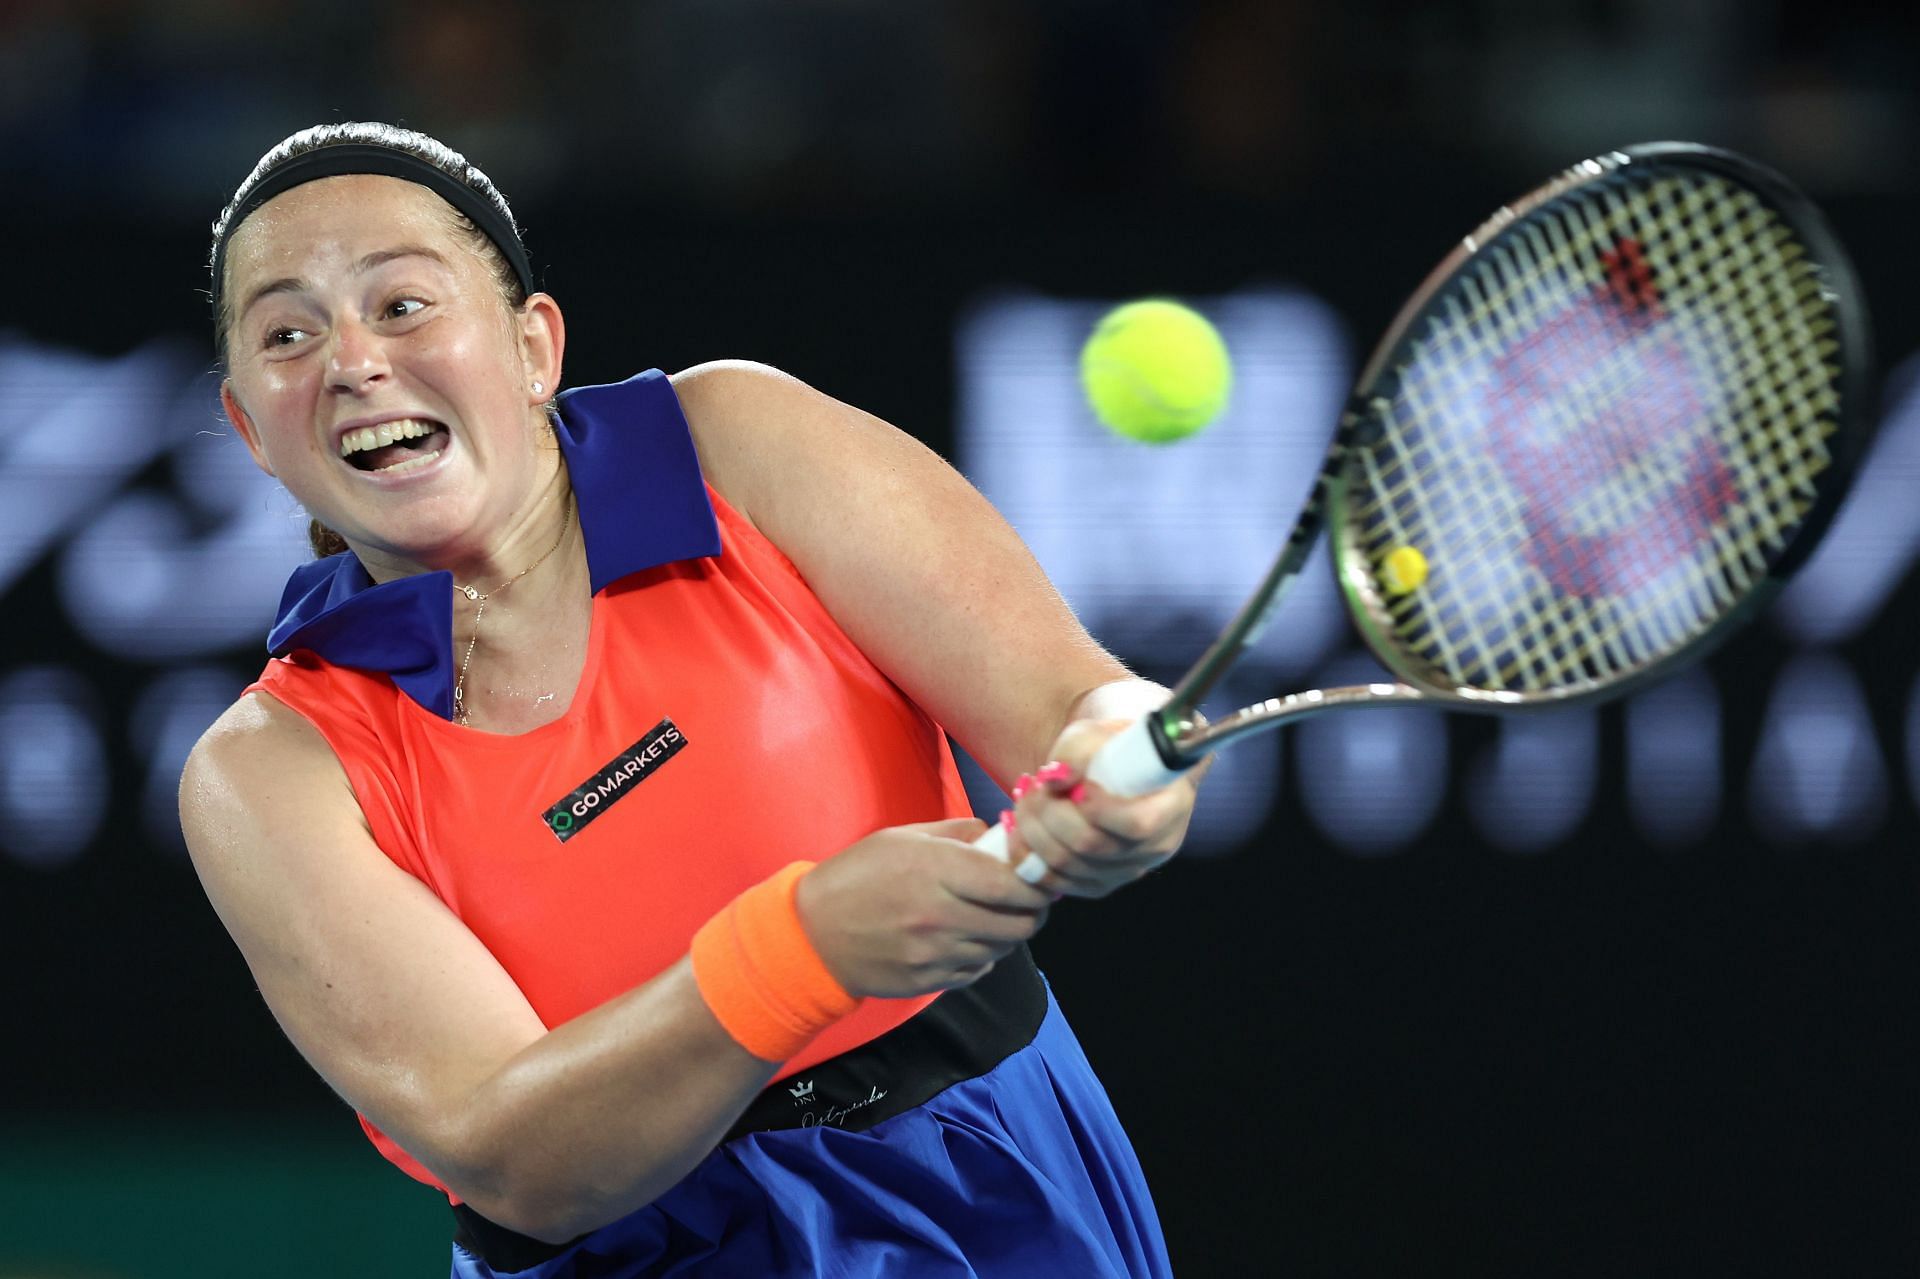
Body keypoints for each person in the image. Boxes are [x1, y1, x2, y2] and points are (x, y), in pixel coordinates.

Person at [179, 121, 1204, 1278]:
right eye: (288, 332)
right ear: (250, 428)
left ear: (533, 347)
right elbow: (512, 1156)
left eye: (403, 304)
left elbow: (1077, 710)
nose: (353, 359)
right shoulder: (268, 768)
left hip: (982, 1176)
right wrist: (804, 948)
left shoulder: (737, 443)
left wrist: (1127, 775)